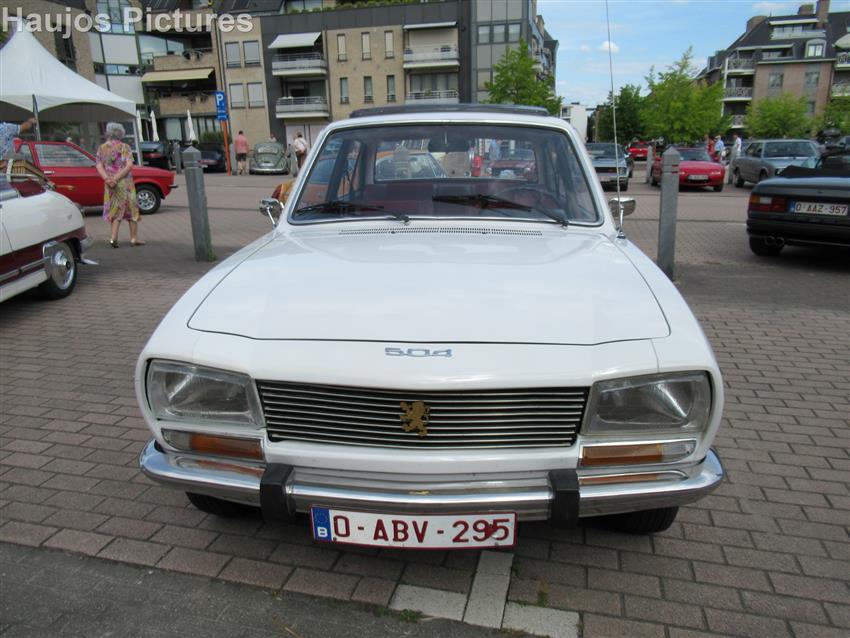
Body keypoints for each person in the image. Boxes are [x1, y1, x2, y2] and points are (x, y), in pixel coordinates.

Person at [96, 122, 144, 248]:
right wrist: (116, 178)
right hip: (125, 182)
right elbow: (129, 166)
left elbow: (99, 165)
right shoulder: (125, 147)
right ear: (121, 133)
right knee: (131, 209)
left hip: (110, 183)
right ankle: (133, 238)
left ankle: (113, 238)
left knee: (115, 209)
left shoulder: (102, 148)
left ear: (108, 133)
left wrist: (108, 179)